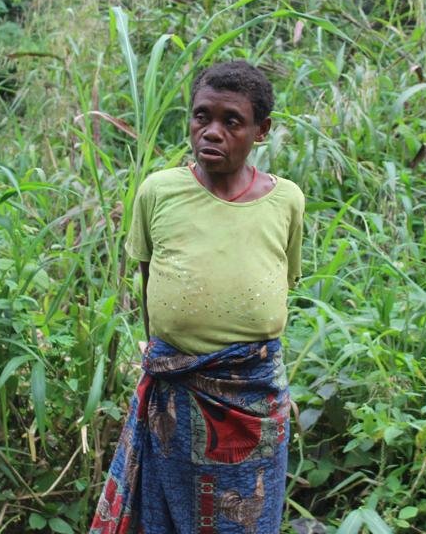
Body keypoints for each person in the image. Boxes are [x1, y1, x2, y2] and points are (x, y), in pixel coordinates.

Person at [91, 60, 305, 533]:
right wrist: (165, 350)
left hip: (253, 392)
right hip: (175, 385)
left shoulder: (286, 200)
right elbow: (151, 285)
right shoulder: (158, 192)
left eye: (232, 121)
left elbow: (281, 282)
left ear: (261, 131)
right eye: (201, 116)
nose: (212, 132)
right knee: (165, 510)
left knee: (247, 512)